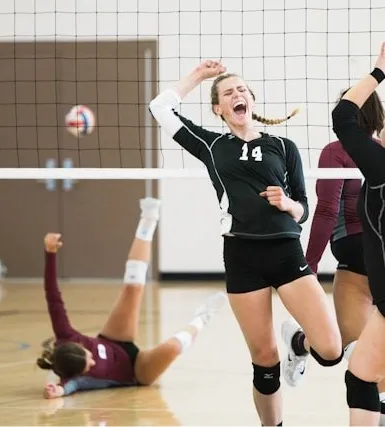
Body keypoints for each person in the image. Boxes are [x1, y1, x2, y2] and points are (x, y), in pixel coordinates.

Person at [149, 61, 343, 426]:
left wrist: (288, 204)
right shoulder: (211, 145)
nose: (237, 95)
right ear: (218, 109)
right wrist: (200, 76)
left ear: (251, 100)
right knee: (264, 358)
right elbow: (160, 107)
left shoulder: (283, 146)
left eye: (242, 90)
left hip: (286, 251)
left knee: (331, 350)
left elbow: (303, 208)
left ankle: (297, 344)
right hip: (242, 255)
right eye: (227, 93)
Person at [37, 197, 227, 399]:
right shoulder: (75, 378)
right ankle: (202, 318)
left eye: (88, 356)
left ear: (76, 346)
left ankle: (149, 218)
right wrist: (57, 391)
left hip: (114, 340)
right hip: (136, 371)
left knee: (132, 288)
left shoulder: (65, 334)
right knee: (172, 348)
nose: (92, 362)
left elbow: (52, 296)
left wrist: (50, 253)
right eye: (88, 366)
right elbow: (68, 386)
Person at [306, 89, 385, 422]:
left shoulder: (367, 156)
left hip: (357, 257)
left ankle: (299, 341)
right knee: (361, 365)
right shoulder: (365, 154)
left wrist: (307, 267)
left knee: (355, 362)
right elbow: (326, 210)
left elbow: (325, 211)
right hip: (364, 262)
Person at [331, 42, 385, 426]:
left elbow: (344, 116)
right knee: (362, 375)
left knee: (362, 376)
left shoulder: (380, 166)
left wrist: (380, 70)